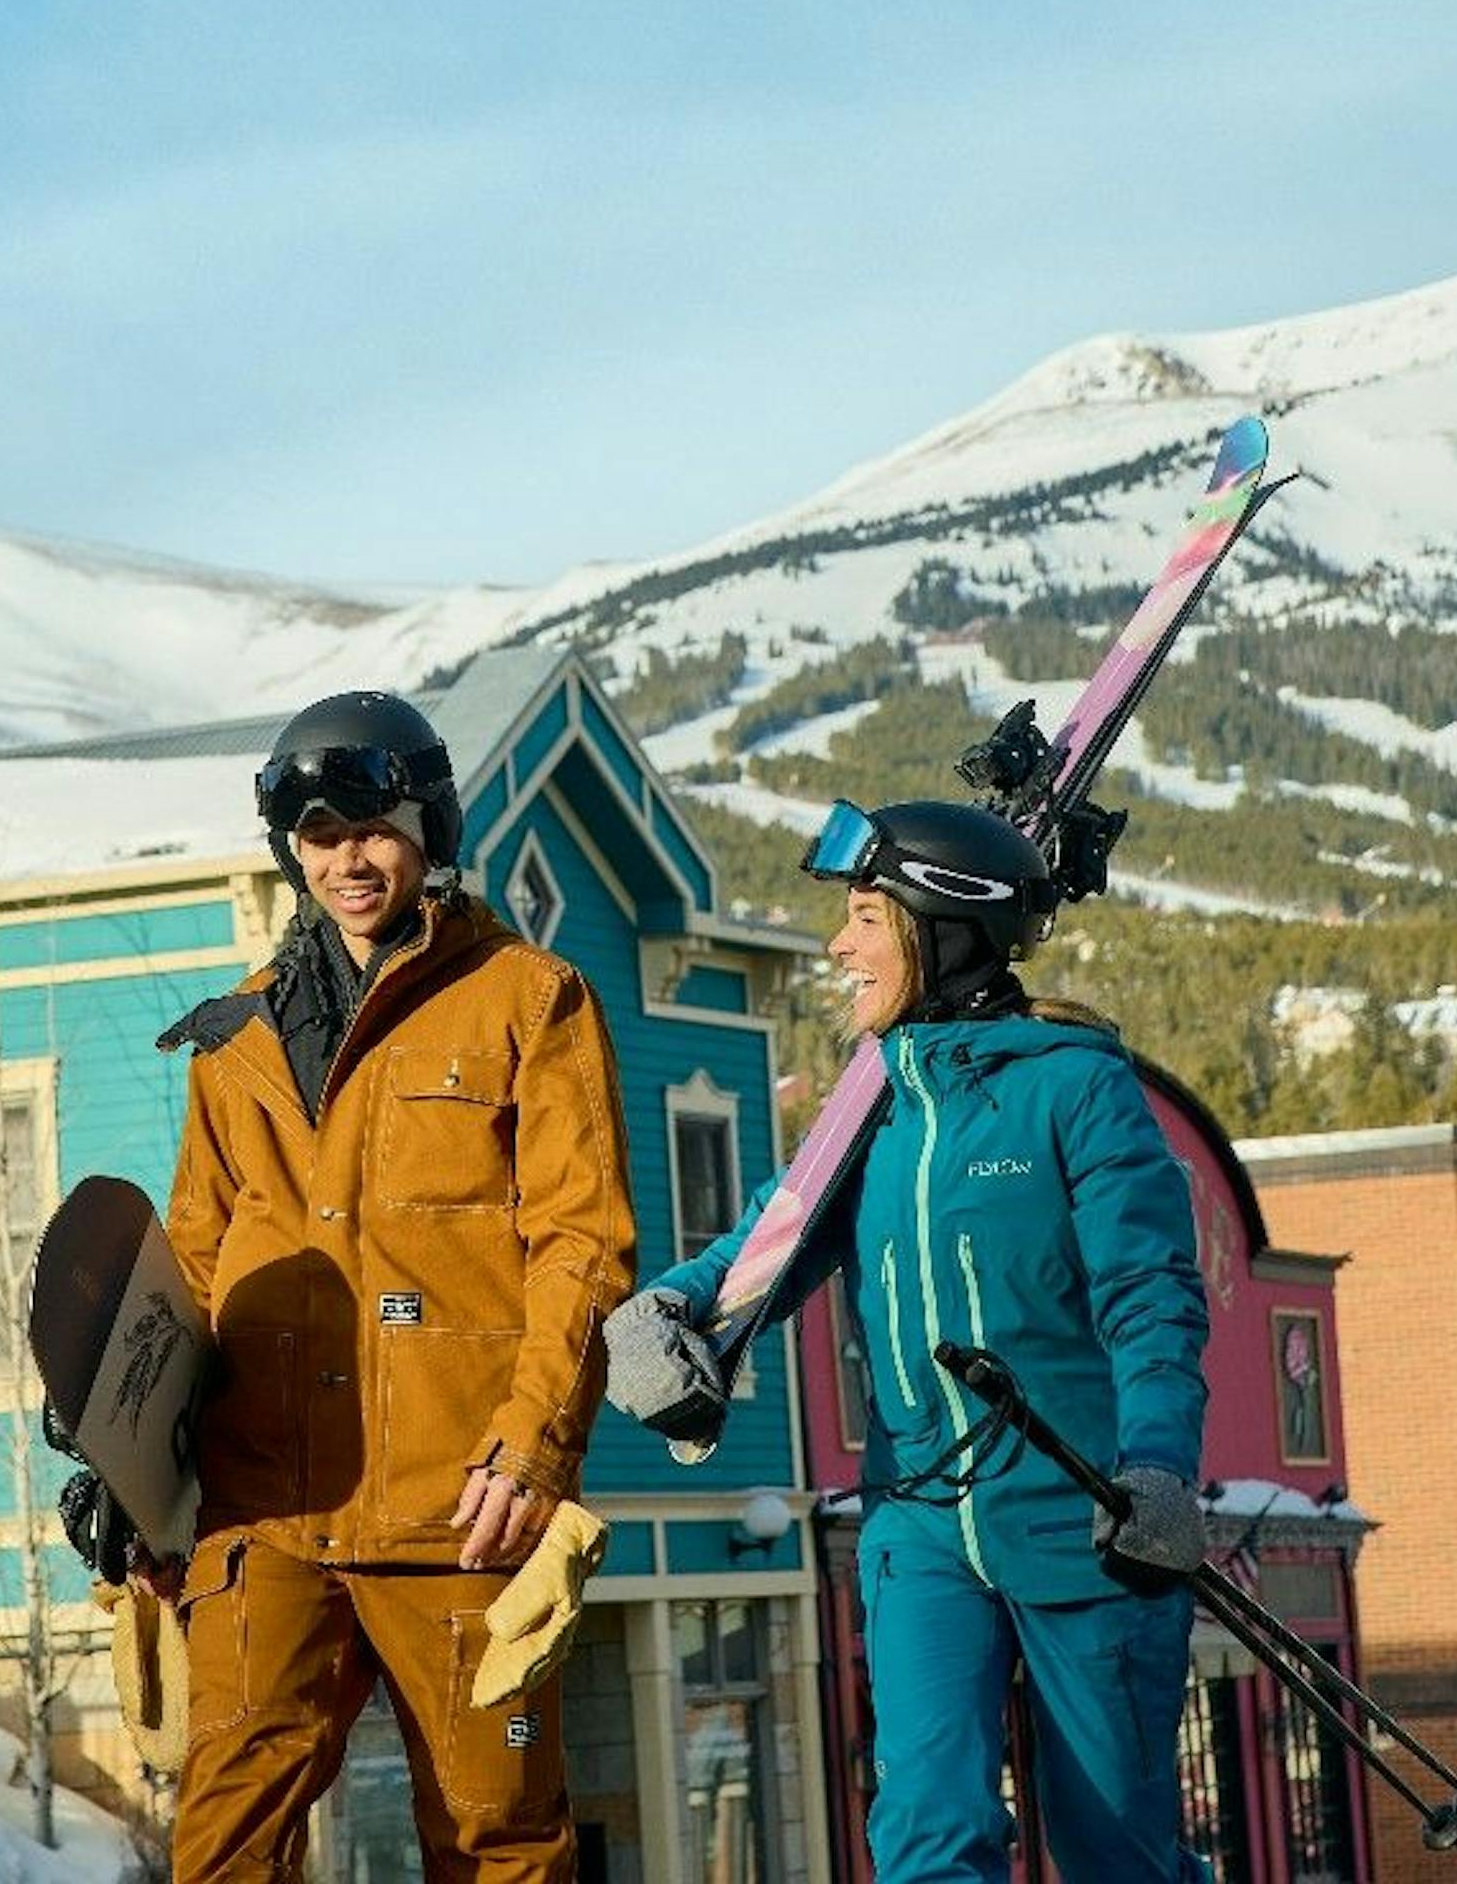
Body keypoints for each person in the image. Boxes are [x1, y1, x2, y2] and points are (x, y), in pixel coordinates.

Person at [63, 688, 634, 1881]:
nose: (347, 859)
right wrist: (130, 1465)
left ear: (430, 825)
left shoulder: (530, 1000)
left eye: (371, 826)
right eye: (318, 838)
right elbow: (201, 1268)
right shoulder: (240, 1040)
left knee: (500, 1841)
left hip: (461, 1507)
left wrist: (533, 1446)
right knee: (225, 1846)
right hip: (264, 1510)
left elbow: (581, 1244)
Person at [607, 796, 1214, 1883]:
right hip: (920, 1528)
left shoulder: (1073, 1088)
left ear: (942, 923)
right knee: (930, 1837)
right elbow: (768, 1239)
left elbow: (1151, 1296)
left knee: (1115, 1848)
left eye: (864, 919)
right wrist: (666, 1313)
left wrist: (1161, 1466)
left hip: (1084, 1521)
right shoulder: (868, 1110)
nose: (839, 946)